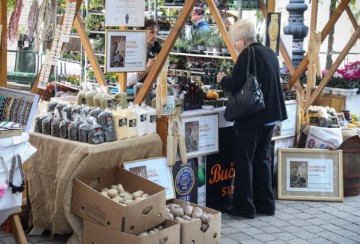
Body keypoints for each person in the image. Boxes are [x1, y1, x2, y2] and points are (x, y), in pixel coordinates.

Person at [216, 19, 287, 219]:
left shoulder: (248, 54)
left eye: (235, 41)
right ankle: (266, 204)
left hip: (254, 116)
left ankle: (244, 207)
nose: (235, 46)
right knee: (262, 159)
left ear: (243, 39)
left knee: (244, 160)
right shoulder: (268, 52)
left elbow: (237, 84)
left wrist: (222, 79)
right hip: (272, 114)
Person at [127, 19, 162, 87]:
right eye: (151, 32)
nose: (155, 36)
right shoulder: (134, 51)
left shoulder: (150, 51)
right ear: (142, 33)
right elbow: (127, 80)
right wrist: (147, 68)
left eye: (156, 33)